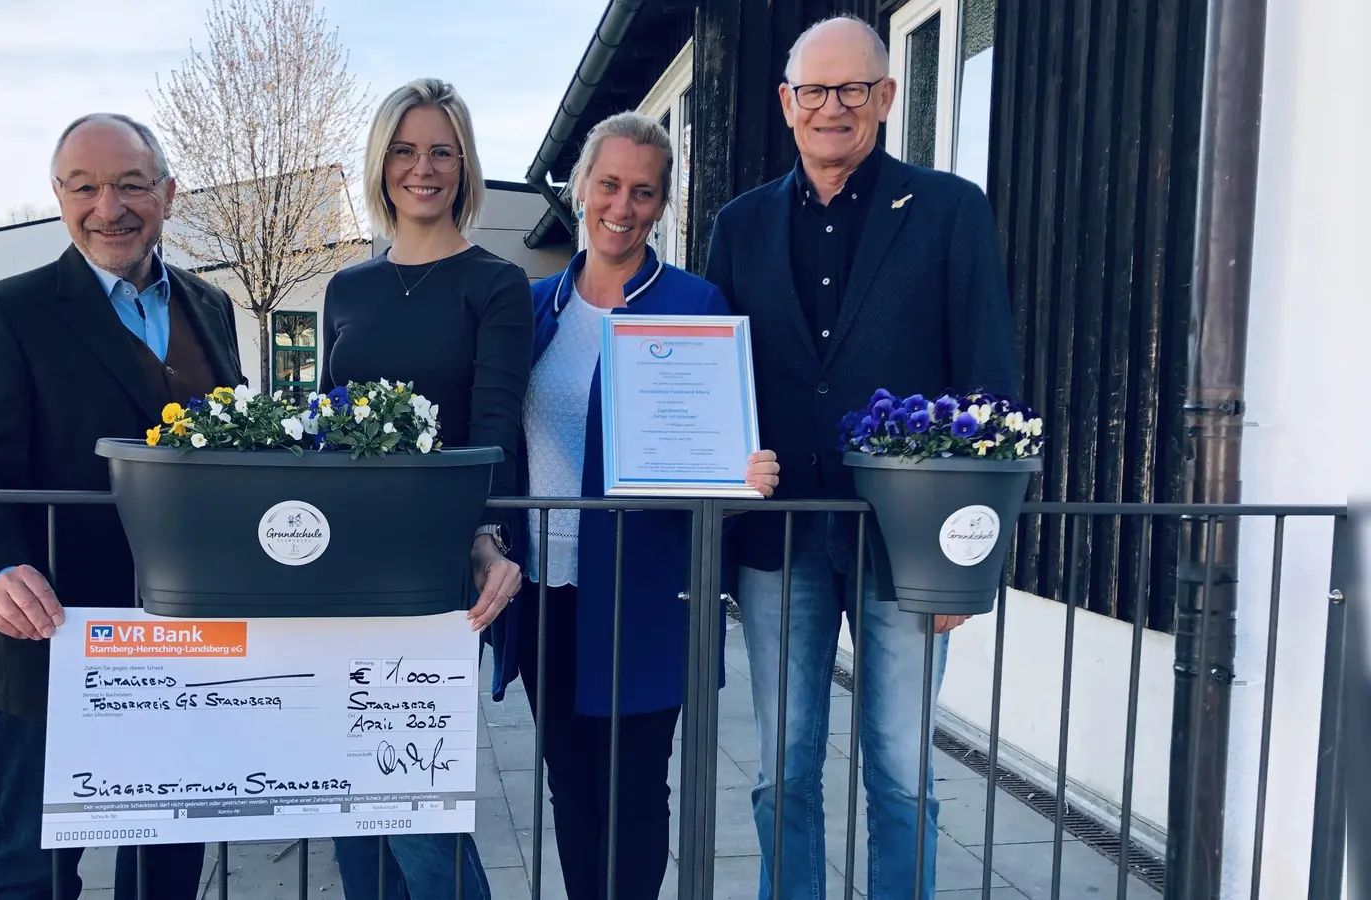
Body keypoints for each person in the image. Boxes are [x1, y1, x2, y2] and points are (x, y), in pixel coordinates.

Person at [703, 16, 1019, 900]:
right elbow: (716, 377)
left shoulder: (951, 210)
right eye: (814, 91)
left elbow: (991, 384)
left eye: (852, 89)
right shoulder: (739, 225)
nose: (831, 108)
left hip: (910, 549)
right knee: (783, 769)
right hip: (782, 540)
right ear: (786, 103)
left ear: (886, 96)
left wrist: (971, 560)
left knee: (901, 774)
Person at [0, 112, 245, 899]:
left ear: (169, 195)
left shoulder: (211, 309)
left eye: (131, 184)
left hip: (186, 642)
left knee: (170, 855)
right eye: (85, 187)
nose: (108, 207)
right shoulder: (8, 309)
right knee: (30, 868)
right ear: (59, 197)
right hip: (55, 635)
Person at [486, 111, 779, 900]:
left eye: (643, 191)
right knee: (569, 785)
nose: (623, 205)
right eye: (609, 184)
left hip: (647, 594)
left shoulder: (695, 302)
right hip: (547, 591)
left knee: (638, 791)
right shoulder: (533, 305)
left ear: (661, 204)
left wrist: (741, 478)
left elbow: (717, 453)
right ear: (582, 187)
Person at [322, 77, 531, 900]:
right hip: (337, 564)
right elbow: (325, 425)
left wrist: (486, 540)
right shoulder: (348, 287)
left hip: (433, 567)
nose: (423, 168)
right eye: (405, 150)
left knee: (407, 787)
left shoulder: (495, 283)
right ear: (382, 162)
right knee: (347, 786)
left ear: (465, 165)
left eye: (442, 151)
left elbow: (494, 421)